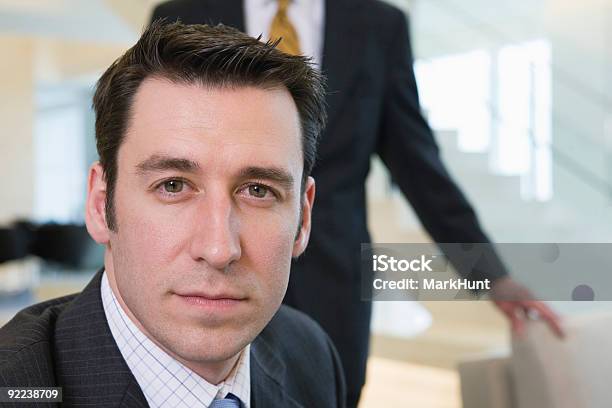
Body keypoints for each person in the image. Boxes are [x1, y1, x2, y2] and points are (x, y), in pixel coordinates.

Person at [150, 1, 565, 406]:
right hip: (210, 272)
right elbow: (150, 161)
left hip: (333, 282)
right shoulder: (182, 16)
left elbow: (420, 170)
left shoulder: (380, 27)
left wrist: (492, 275)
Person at [0, 22, 346, 408]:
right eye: (173, 186)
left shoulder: (310, 354)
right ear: (101, 205)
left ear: (303, 216)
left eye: (258, 191)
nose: (218, 249)